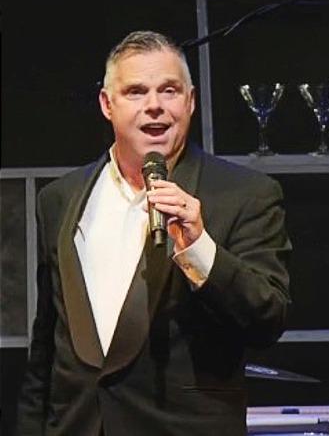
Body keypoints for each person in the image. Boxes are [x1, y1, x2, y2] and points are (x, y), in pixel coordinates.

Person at [16, 31, 291, 435]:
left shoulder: (245, 194)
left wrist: (199, 247)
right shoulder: (60, 198)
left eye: (169, 91)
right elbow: (47, 346)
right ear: (107, 105)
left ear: (191, 101)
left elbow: (268, 318)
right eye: (136, 92)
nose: (155, 107)